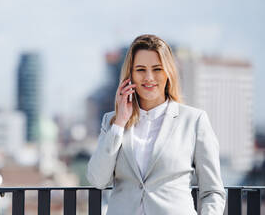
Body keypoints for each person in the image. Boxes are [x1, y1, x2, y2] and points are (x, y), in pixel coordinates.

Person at [87, 34, 226, 215]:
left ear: (169, 73)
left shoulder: (194, 121)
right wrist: (120, 123)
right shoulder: (112, 121)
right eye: (140, 69)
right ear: (130, 75)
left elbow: (213, 192)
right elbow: (97, 180)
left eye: (157, 69)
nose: (149, 77)